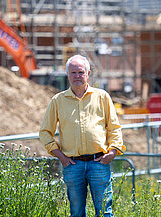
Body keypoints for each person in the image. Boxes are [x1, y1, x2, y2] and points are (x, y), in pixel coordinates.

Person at [39, 55, 126, 217]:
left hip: (99, 162)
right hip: (72, 165)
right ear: (67, 75)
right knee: (77, 213)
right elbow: (45, 132)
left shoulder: (102, 97)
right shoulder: (58, 101)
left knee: (105, 213)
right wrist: (61, 157)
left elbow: (114, 127)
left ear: (88, 73)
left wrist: (113, 152)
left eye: (80, 72)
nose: (77, 76)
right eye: (73, 72)